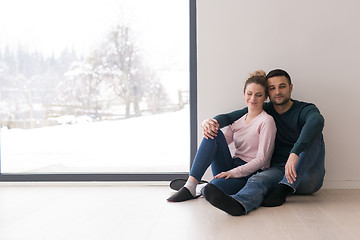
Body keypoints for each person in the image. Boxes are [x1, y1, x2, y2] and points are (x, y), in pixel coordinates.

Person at [202, 69, 325, 216]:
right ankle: (239, 204)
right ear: (268, 93)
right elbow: (230, 117)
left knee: (316, 134)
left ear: (290, 87)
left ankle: (286, 187)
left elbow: (317, 121)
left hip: (307, 176)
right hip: (279, 170)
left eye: (282, 86)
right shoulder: (264, 110)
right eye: (272, 88)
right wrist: (211, 121)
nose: (277, 91)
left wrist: (295, 152)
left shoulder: (304, 109)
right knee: (258, 179)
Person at [167, 70, 277, 202]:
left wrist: (233, 173)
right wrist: (206, 124)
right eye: (249, 94)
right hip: (231, 164)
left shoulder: (266, 121)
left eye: (258, 95)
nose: (253, 99)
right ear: (243, 94)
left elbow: (262, 159)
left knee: (214, 188)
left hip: (250, 173)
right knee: (214, 132)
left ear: (265, 97)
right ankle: (191, 184)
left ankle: (201, 186)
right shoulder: (239, 120)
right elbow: (218, 142)